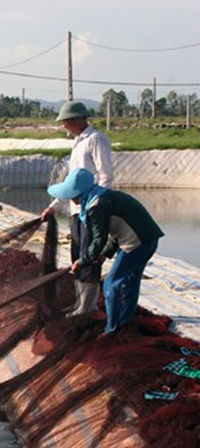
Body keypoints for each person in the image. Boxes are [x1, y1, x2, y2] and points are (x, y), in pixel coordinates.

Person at [47, 168, 164, 336]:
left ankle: (111, 330)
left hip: (137, 243)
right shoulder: (102, 196)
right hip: (148, 239)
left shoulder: (96, 206)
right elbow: (119, 230)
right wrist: (103, 255)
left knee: (111, 283)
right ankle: (122, 322)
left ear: (81, 193)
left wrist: (82, 261)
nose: (71, 199)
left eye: (72, 195)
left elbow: (98, 239)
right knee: (131, 282)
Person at [41, 101, 114, 316]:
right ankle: (80, 304)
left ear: (78, 119)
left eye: (66, 121)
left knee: (89, 256)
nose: (64, 126)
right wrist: (53, 207)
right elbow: (71, 184)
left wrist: (94, 205)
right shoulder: (77, 143)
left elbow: (105, 176)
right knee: (77, 256)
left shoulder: (95, 140)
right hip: (77, 210)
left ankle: (87, 306)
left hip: (90, 210)